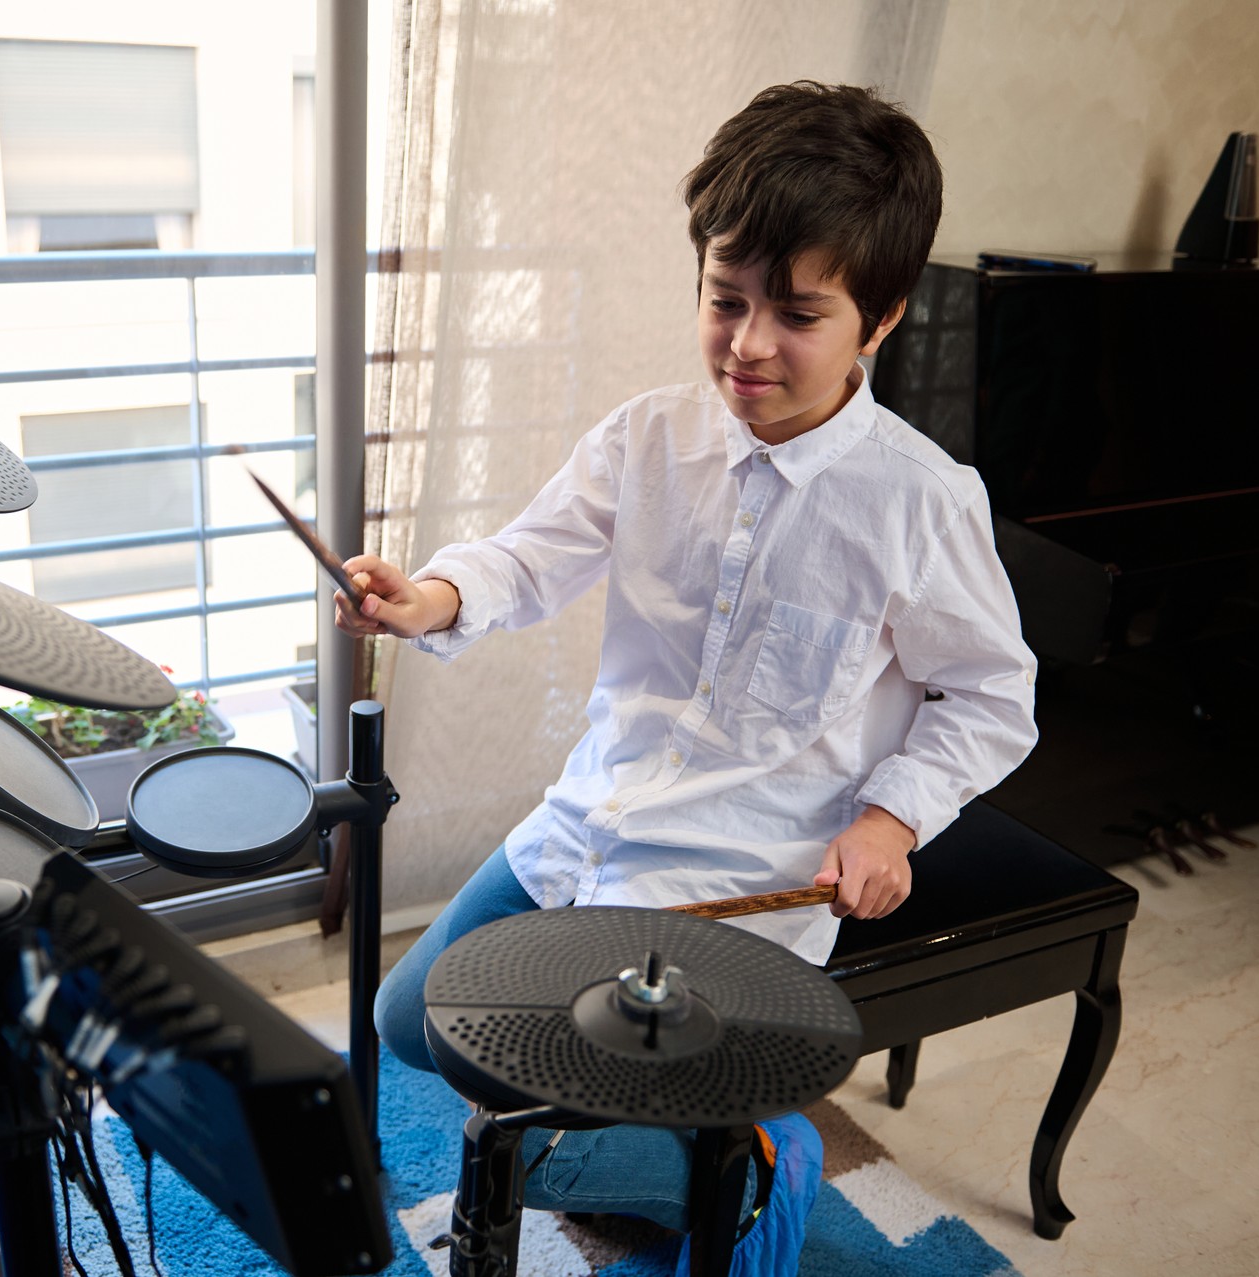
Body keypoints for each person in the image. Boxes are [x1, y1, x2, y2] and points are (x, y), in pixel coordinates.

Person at [341, 82, 1038, 1237]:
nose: (749, 345)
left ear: (881, 317)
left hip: (734, 882)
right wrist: (432, 598)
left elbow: (993, 694)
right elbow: (528, 555)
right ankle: (687, 1140)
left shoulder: (921, 500)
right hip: (589, 820)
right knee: (412, 1019)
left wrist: (891, 819)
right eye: (727, 299)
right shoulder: (647, 434)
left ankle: (758, 1164)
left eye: (798, 315)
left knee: (515, 1154)